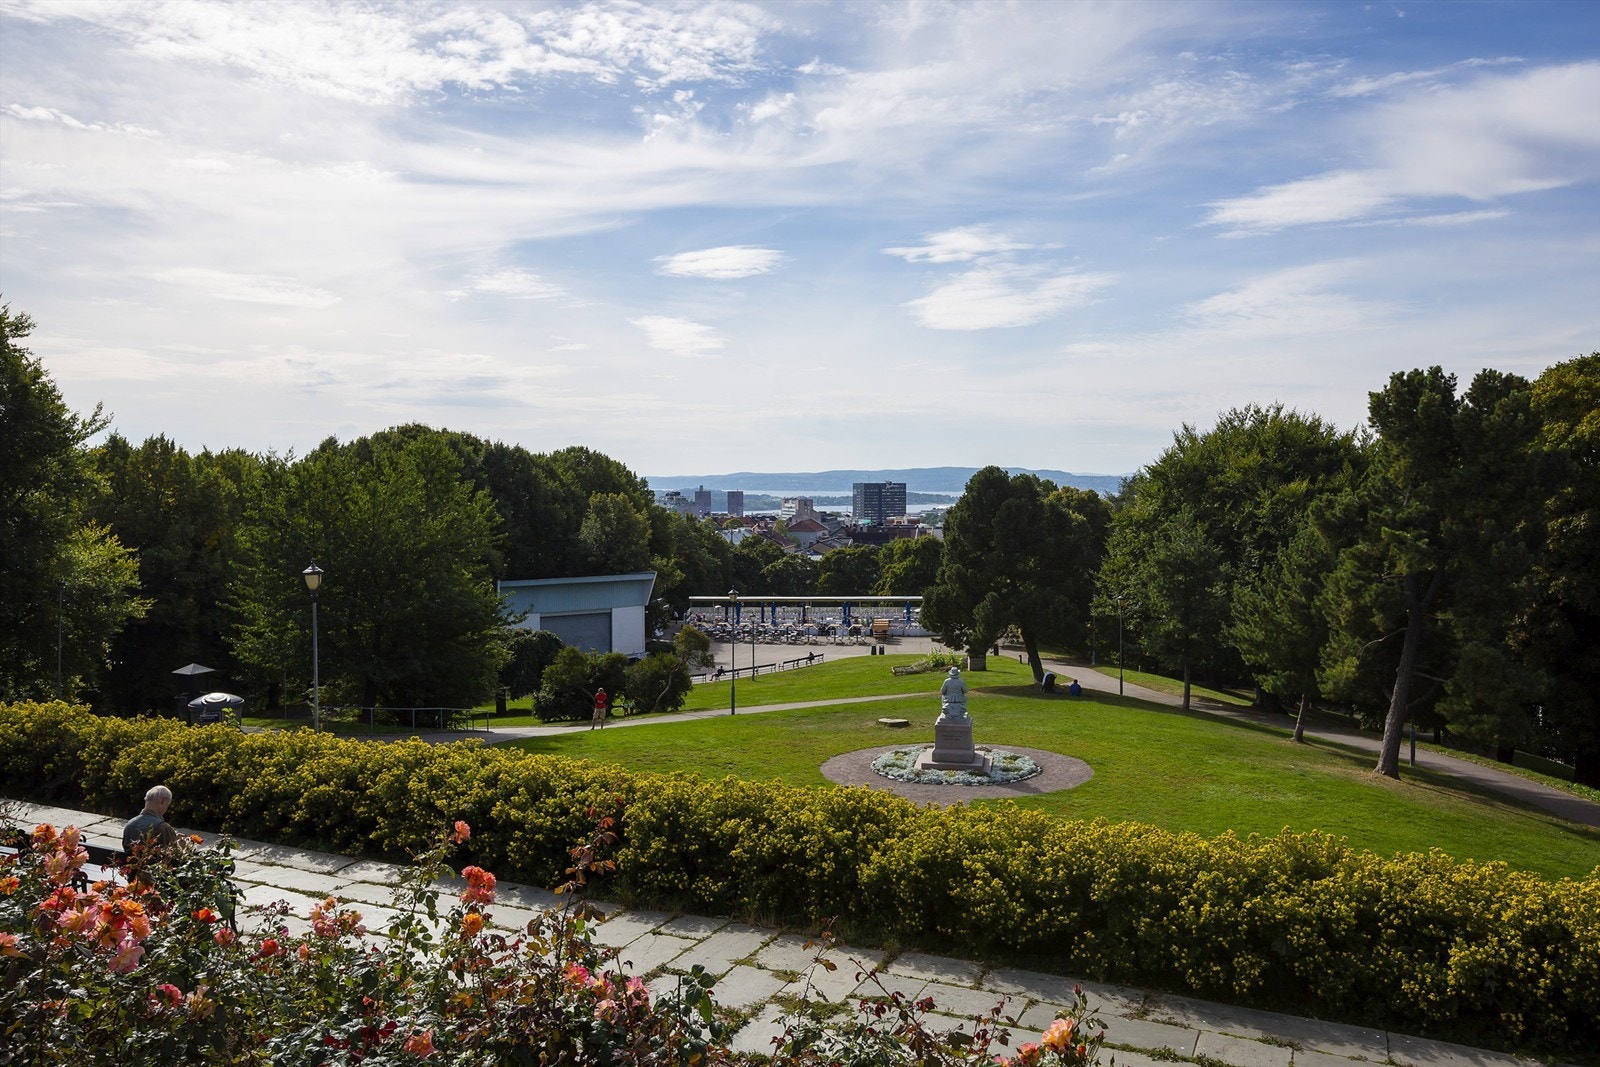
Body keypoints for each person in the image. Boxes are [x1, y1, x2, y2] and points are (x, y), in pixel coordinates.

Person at [123, 784, 179, 861]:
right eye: (167, 805)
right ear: (163, 801)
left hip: (132, 871)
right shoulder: (162, 827)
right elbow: (174, 857)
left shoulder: (130, 824)